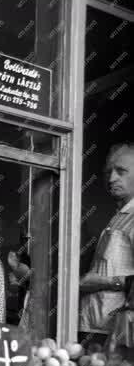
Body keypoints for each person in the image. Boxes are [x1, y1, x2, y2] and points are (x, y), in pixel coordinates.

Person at [80, 143, 134, 341]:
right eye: (109, 172)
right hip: (95, 324)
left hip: (116, 334)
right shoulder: (119, 216)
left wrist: (103, 282)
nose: (112, 179)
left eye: (121, 171)